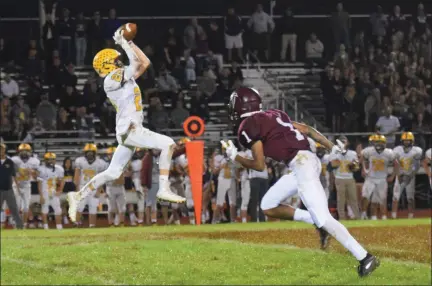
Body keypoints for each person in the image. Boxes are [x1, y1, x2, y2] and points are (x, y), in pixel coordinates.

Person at [221, 87, 379, 277]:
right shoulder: (275, 113)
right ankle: (316, 223)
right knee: (268, 205)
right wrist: (331, 147)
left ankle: (365, 258)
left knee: (324, 218)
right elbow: (306, 129)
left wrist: (235, 156)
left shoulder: (248, 125)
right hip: (303, 163)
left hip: (301, 165)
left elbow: (259, 165)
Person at [67, 28, 185, 223]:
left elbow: (144, 63)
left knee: (113, 172)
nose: (119, 61)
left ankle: (78, 195)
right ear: (107, 65)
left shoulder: (121, 78)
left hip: (127, 130)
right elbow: (136, 63)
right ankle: (164, 188)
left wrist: (129, 43)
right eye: (115, 60)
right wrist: (123, 42)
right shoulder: (111, 79)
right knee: (169, 144)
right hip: (130, 129)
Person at [360, 135, 398, 220]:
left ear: (385, 144)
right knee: (365, 196)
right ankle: (364, 213)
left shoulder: (389, 152)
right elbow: (361, 156)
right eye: (378, 142)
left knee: (381, 199)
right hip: (370, 178)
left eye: (381, 143)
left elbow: (396, 164)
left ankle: (382, 216)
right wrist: (363, 169)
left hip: (382, 179)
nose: (379, 144)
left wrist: (392, 175)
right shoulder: (369, 151)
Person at [73, 143, 108, 227]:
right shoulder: (80, 161)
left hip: (94, 187)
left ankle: (92, 225)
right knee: (79, 207)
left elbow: (101, 179)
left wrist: (99, 191)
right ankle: (77, 224)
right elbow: (76, 175)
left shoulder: (101, 163)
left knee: (93, 208)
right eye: (88, 152)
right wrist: (77, 188)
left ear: (95, 152)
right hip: (83, 187)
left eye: (91, 152)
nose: (89, 154)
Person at [392, 132, 422, 219]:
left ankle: (411, 216)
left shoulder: (416, 151)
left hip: (410, 176)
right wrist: (398, 175)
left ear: (412, 141)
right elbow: (395, 163)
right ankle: (393, 216)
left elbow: (417, 165)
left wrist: (409, 176)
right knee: (395, 197)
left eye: (408, 141)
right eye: (405, 141)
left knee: (410, 198)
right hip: (400, 176)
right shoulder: (397, 150)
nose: (406, 142)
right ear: (402, 141)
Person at [11, 144, 40, 228]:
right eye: (22, 151)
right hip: (16, 185)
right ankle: (15, 224)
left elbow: (37, 175)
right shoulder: (14, 160)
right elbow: (12, 174)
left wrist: (33, 172)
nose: (24, 153)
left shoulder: (34, 161)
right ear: (18, 152)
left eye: (26, 151)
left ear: (30, 152)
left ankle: (23, 225)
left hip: (27, 185)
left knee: (26, 207)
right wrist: (16, 185)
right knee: (16, 206)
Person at [36, 152, 64, 230]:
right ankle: (46, 227)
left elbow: (61, 181)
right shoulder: (41, 169)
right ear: (45, 160)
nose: (50, 161)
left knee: (58, 210)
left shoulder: (59, 169)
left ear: (55, 160)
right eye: (48, 160)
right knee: (45, 209)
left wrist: (60, 190)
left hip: (54, 192)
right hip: (45, 192)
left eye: (52, 159)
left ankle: (59, 227)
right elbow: (39, 183)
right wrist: (41, 195)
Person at [0, 141, 24, 229]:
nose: (0, 151)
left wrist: (18, 188)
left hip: (9, 189)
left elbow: (14, 176)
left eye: (1, 149)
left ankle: (20, 226)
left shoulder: (10, 162)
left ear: (4, 150)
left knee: (14, 209)